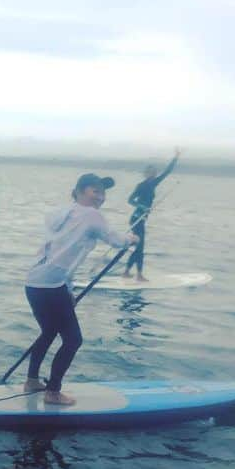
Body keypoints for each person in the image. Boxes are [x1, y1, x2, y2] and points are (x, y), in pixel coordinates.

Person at [24, 173, 137, 406]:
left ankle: (32, 381)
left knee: (48, 332)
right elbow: (116, 240)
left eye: (103, 192)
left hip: (35, 282)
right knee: (73, 340)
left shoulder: (62, 213)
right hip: (51, 286)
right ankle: (53, 393)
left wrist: (68, 290)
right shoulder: (91, 215)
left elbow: (61, 256)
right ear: (78, 191)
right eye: (95, 191)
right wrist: (131, 238)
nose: (101, 197)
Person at [123, 147, 180, 282]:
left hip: (142, 220)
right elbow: (130, 200)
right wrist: (142, 206)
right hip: (136, 219)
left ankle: (127, 272)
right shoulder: (141, 186)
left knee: (138, 247)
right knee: (140, 248)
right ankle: (139, 275)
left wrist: (176, 157)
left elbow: (167, 172)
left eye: (154, 173)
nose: (152, 175)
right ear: (146, 174)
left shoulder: (154, 183)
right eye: (150, 173)